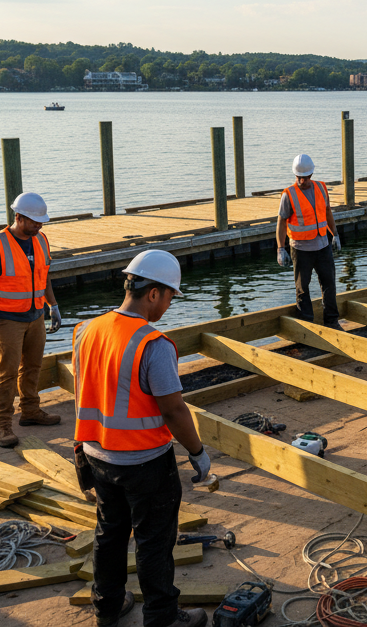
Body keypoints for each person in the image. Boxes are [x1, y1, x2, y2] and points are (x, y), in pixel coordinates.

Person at [73, 250, 211, 627]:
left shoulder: (86, 330)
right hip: (144, 463)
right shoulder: (154, 344)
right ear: (153, 293)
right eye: (169, 297)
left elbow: (87, 390)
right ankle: (163, 617)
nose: (168, 306)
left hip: (96, 454)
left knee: (110, 533)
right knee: (153, 542)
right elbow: (174, 411)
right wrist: (197, 453)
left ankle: (107, 606)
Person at [0, 192, 62, 448]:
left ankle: (30, 411)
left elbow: (45, 275)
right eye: (34, 222)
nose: (39, 226)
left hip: (35, 316)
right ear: (18, 217)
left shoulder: (41, 239)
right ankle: (2, 425)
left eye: (42, 222)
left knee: (33, 366)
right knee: (6, 373)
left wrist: (53, 305)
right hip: (6, 319)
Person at [276, 154, 342, 329]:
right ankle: (307, 326)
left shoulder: (321, 188)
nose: (301, 180)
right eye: (299, 177)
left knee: (329, 284)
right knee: (302, 288)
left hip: (323, 246)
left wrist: (335, 234)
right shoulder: (288, 195)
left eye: (305, 177)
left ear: (311, 175)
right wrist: (280, 249)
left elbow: (328, 213)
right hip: (301, 249)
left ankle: (332, 321)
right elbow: (281, 222)